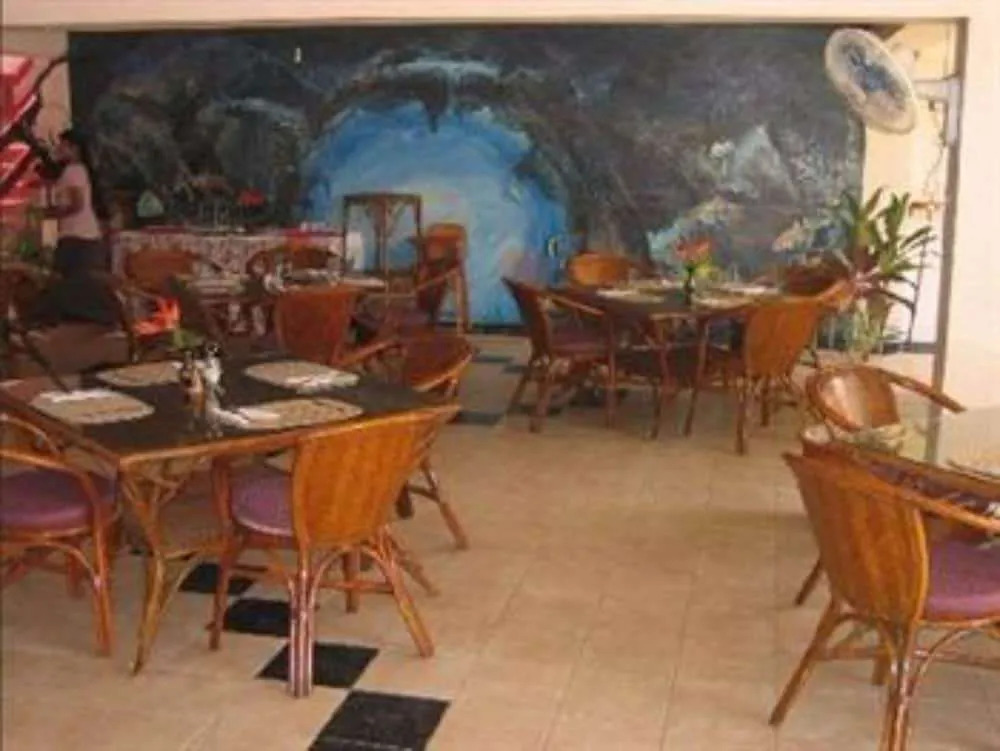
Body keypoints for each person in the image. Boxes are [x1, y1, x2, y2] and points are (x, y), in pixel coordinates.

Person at [31, 127, 118, 326]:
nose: (59, 149)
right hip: (82, 235)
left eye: (64, 145)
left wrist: (52, 213)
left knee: (63, 279)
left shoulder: (73, 171)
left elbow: (77, 204)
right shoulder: (78, 171)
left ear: (74, 148)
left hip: (77, 236)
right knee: (76, 281)